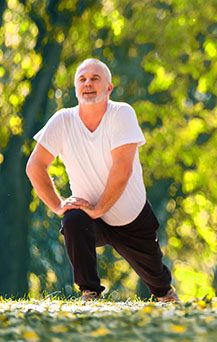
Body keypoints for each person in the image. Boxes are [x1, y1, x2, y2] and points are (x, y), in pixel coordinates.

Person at [26, 58, 179, 302]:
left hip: (131, 219)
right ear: (76, 88)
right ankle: (90, 292)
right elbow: (35, 166)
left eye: (95, 78)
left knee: (158, 283)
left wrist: (99, 209)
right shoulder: (62, 120)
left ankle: (166, 294)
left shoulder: (122, 114)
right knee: (72, 219)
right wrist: (57, 205)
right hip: (89, 217)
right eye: (82, 79)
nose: (88, 83)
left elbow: (122, 169)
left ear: (109, 88)